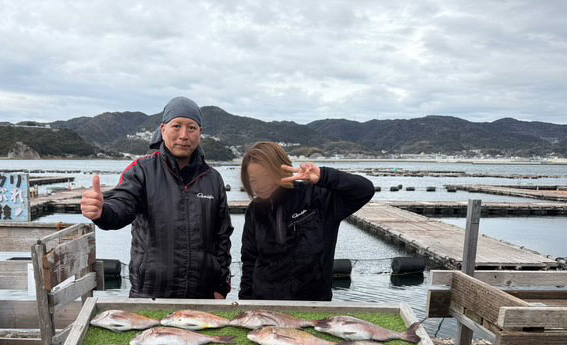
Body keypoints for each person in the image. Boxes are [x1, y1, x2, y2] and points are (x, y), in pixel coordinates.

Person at [80, 97, 233, 299]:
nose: (184, 135)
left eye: (192, 128)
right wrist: (103, 211)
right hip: (150, 291)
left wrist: (221, 287)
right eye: (176, 126)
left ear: (200, 133)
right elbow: (123, 205)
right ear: (163, 129)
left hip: (202, 294)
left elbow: (222, 237)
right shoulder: (142, 171)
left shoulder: (213, 178)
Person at [239, 142, 374, 301]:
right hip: (263, 303)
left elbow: (364, 190)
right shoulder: (255, 210)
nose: (260, 185)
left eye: (265, 177)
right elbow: (249, 261)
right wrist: (245, 303)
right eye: (254, 180)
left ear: (281, 169)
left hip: (312, 304)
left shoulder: (318, 198)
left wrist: (324, 176)